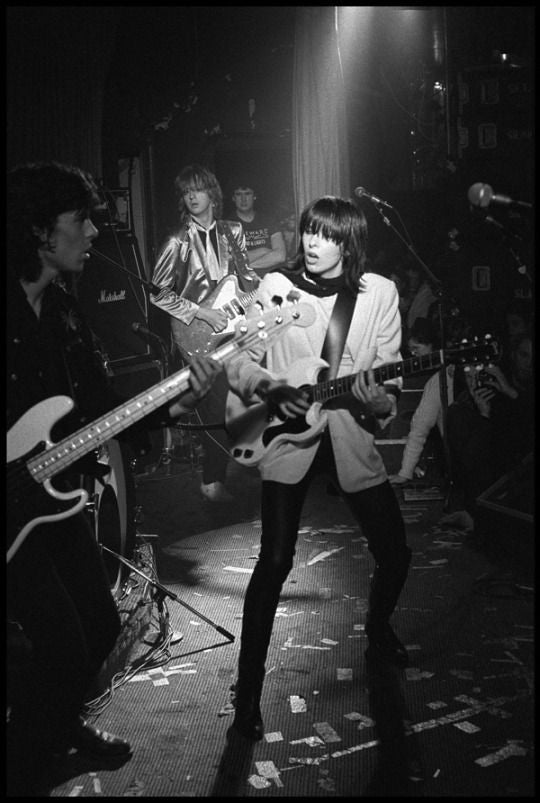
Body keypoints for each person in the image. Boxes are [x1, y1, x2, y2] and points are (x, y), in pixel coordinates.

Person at [6, 161, 222, 795]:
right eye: (82, 220)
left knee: (98, 627)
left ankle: (59, 724)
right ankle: (23, 765)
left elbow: (102, 413)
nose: (95, 232)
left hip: (55, 497)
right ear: (43, 231)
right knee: (60, 643)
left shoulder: (65, 311)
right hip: (12, 510)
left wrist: (178, 401)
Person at [224, 195, 411, 741]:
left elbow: (388, 385)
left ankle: (378, 630)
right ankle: (248, 693)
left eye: (326, 234)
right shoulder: (274, 289)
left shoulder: (379, 294)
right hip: (288, 435)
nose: (312, 241)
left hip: (349, 435)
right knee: (275, 561)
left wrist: (378, 401)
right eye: (308, 230)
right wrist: (270, 387)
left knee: (396, 552)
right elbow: (236, 361)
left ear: (348, 242)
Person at [150, 164, 259, 503]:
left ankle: (239, 470)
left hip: (232, 326)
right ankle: (212, 481)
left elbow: (246, 278)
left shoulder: (232, 231)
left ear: (212, 193)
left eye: (197, 189)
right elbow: (157, 292)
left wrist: (263, 289)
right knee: (216, 404)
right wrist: (200, 312)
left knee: (245, 396)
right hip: (195, 332)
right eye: (186, 192)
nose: (192, 196)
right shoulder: (177, 240)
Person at [443, 332, 533, 533]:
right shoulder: (459, 411)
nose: (477, 380)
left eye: (482, 373)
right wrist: (483, 416)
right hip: (485, 504)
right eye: (470, 374)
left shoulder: (509, 401)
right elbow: (469, 464)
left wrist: (510, 393)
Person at [389, 318, 457, 487]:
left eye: (416, 348)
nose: (413, 354)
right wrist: (405, 472)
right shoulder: (437, 380)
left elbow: (419, 428)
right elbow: (419, 428)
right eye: (410, 350)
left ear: (433, 346)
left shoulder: (442, 377)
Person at [231, 180, 286, 276]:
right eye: (239, 194)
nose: (243, 199)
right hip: (243, 282)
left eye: (247, 194)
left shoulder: (269, 220)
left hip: (271, 278)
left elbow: (280, 256)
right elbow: (232, 260)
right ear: (233, 198)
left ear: (254, 196)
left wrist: (246, 268)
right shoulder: (227, 224)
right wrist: (263, 250)